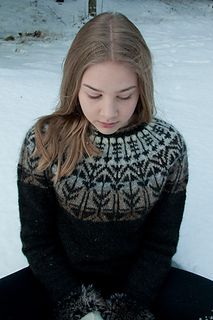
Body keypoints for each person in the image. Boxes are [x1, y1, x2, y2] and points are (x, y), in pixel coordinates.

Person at [0, 11, 213, 320]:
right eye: (94, 94)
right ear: (74, 84)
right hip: (58, 279)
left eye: (125, 96)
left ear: (142, 87)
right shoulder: (45, 143)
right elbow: (38, 241)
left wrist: (129, 306)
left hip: (141, 282)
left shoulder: (167, 148)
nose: (109, 112)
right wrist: (76, 306)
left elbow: (161, 243)